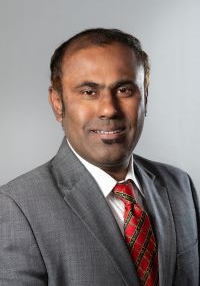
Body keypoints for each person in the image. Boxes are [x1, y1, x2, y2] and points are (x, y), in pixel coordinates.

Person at [0, 28, 199, 286]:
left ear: (145, 98)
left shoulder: (179, 185)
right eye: (88, 92)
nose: (108, 109)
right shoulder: (16, 207)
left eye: (125, 90)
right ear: (57, 102)